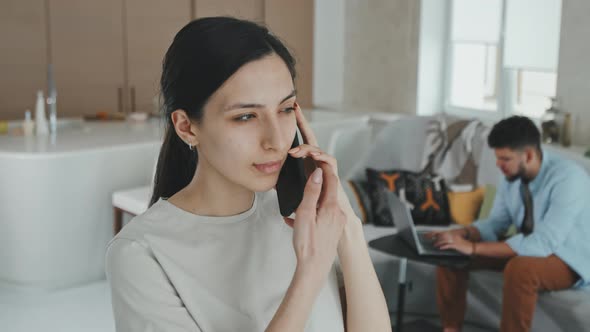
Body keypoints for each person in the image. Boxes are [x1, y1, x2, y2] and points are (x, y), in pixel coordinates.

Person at [105, 17, 391, 332]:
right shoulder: (141, 253)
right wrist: (309, 273)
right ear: (186, 126)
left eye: (285, 109)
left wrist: (346, 224)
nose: (277, 140)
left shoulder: (302, 216)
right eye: (245, 116)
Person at [429, 116, 590, 332]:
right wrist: (463, 234)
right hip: (528, 246)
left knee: (520, 269)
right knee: (450, 254)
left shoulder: (569, 179)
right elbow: (497, 222)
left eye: (505, 159)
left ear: (529, 155)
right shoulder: (513, 176)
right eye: (497, 158)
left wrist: (474, 248)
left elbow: (544, 243)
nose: (498, 165)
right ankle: (450, 329)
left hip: (567, 256)